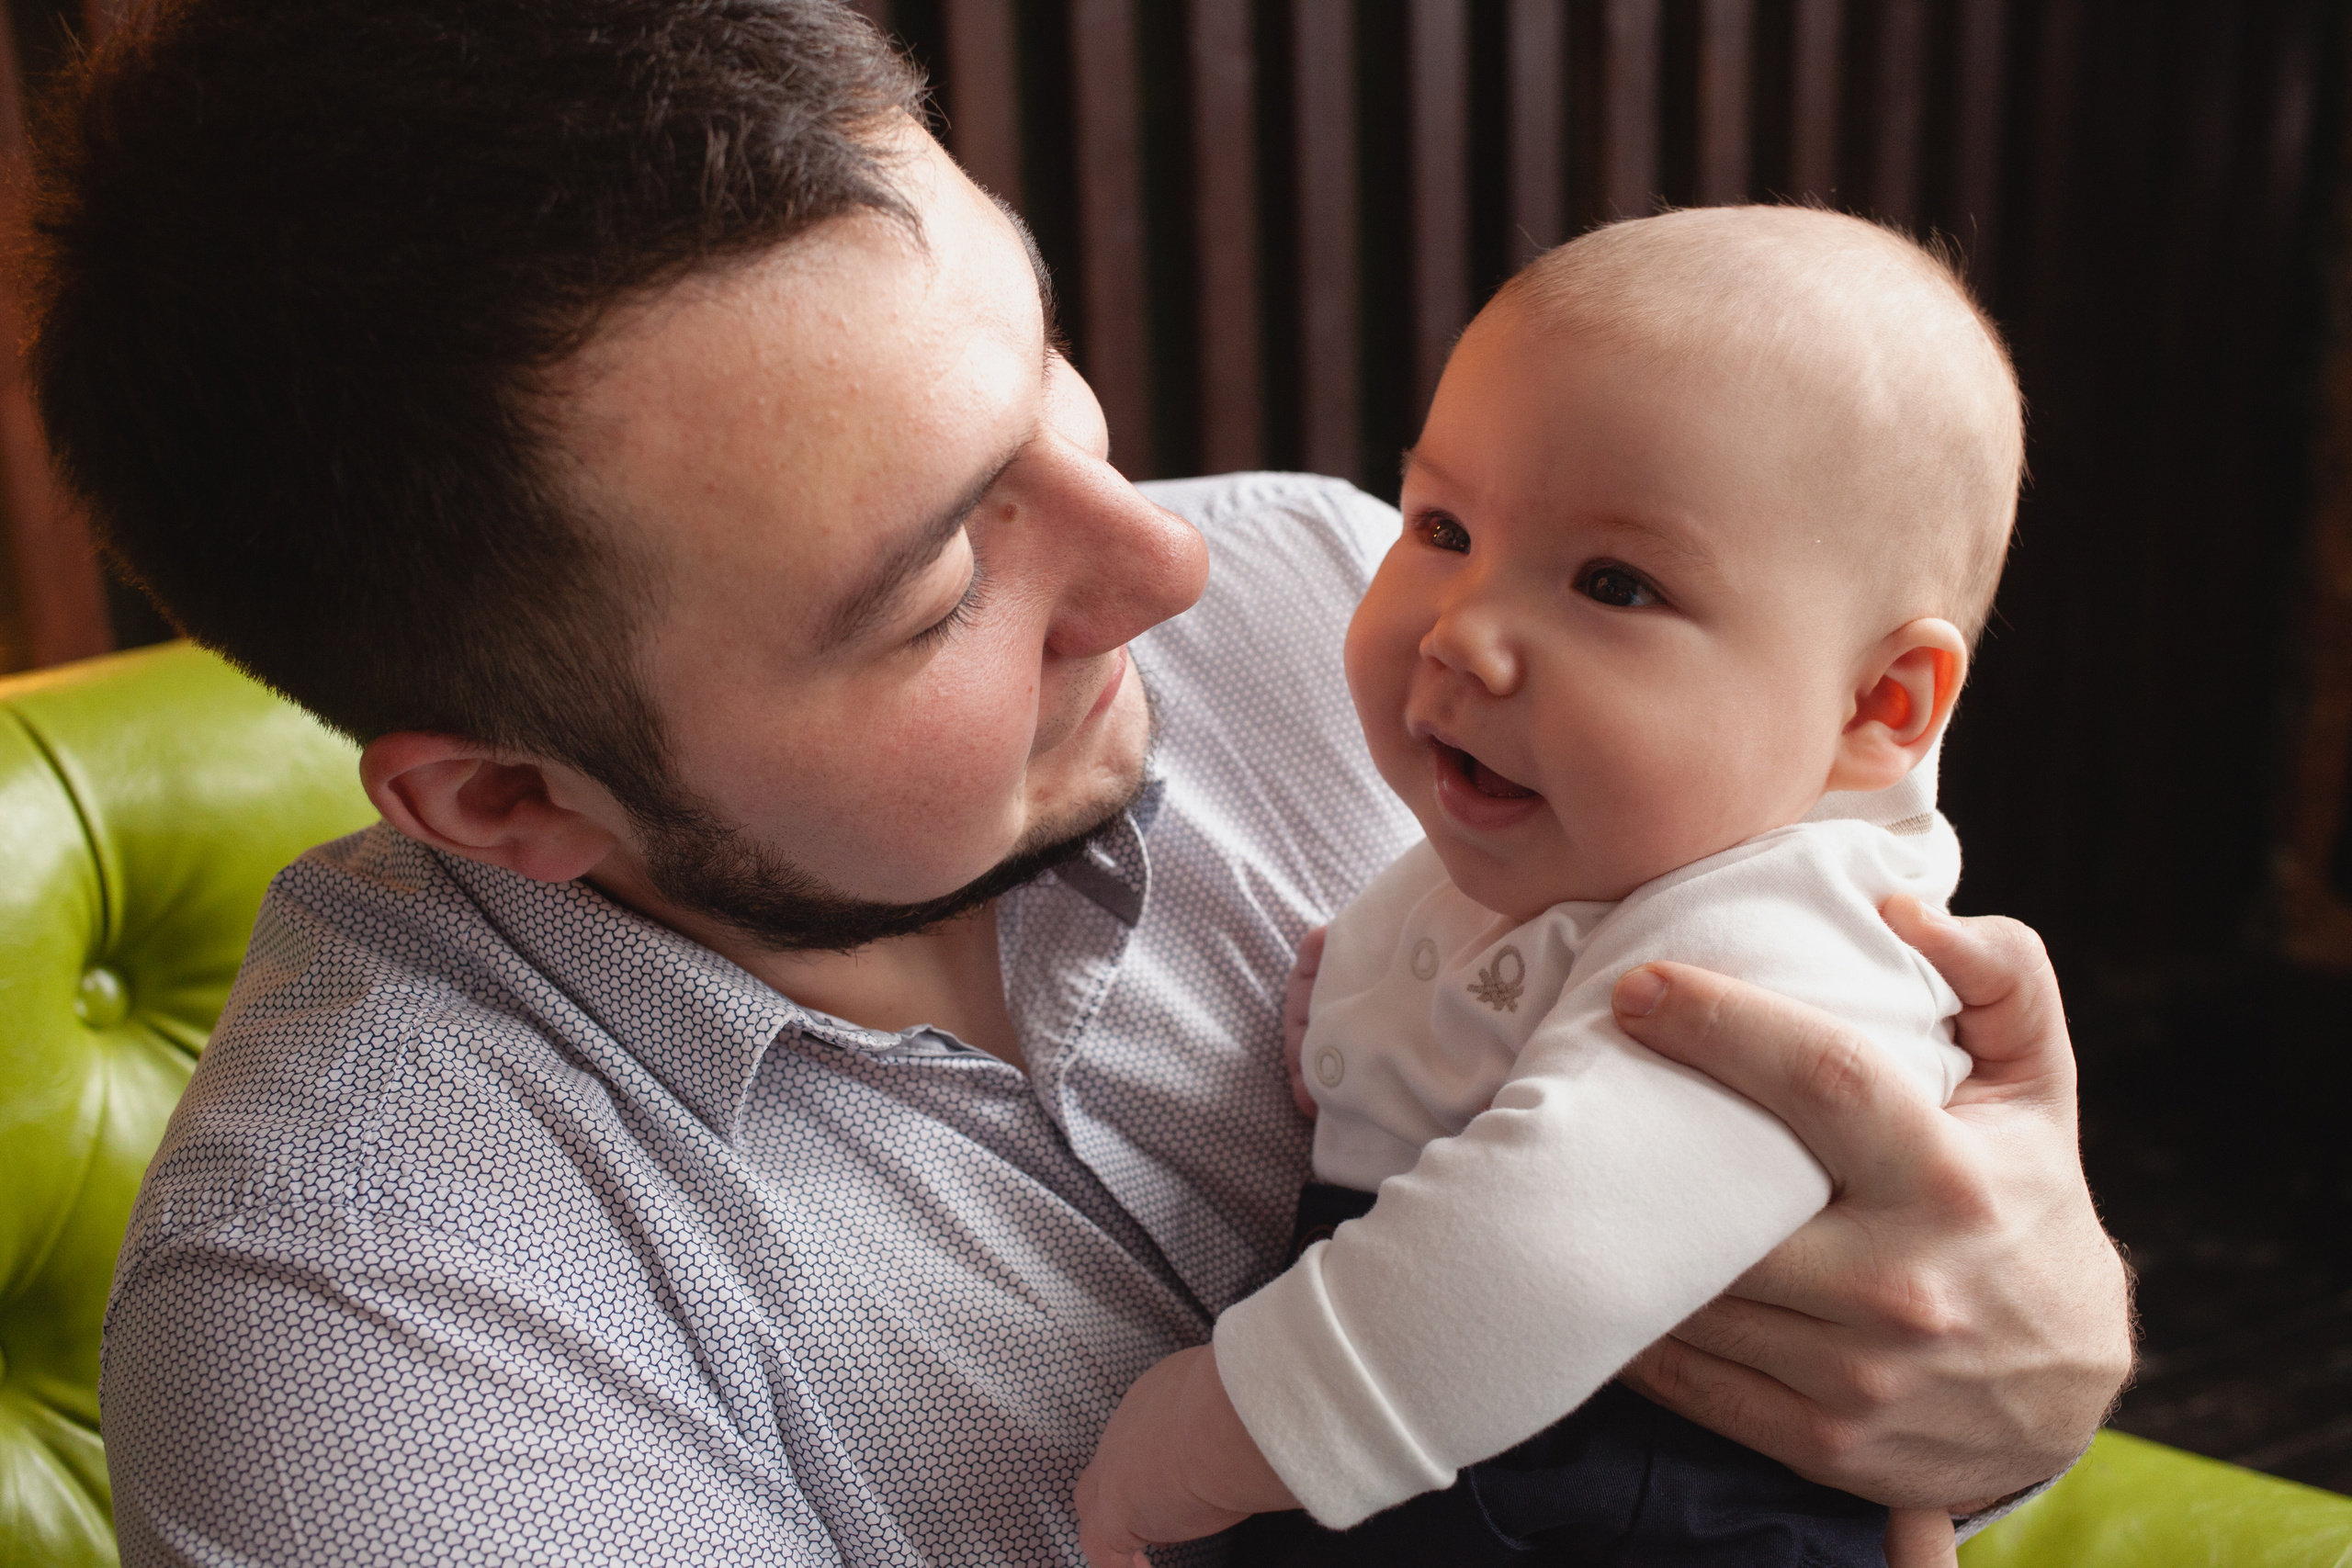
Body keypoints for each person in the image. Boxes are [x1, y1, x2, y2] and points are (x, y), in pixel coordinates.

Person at [25, 3, 2129, 1563]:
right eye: (941, 583)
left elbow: (1866, 1298)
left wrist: (2016, 1349)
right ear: (505, 800)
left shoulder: (1341, 595)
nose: (1170, 565)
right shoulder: (364, 1343)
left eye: (1043, 377)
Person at [1075, 207, 2028, 1568]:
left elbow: (1542, 1253)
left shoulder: (1796, 945)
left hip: (1637, 1497)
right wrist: (1363, 1010)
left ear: (1879, 704)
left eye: (1613, 583)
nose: (1467, 630)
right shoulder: (1591, 842)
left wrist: (1208, 1430)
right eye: (1444, 525)